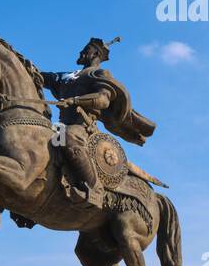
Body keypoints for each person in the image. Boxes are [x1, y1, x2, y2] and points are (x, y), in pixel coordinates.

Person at [41, 37, 156, 200]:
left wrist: (75, 100)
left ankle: (94, 190)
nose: (81, 52)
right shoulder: (67, 76)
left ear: (96, 53)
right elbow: (42, 77)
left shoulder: (100, 73)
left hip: (82, 126)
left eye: (86, 49)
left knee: (68, 138)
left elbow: (103, 100)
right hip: (60, 125)